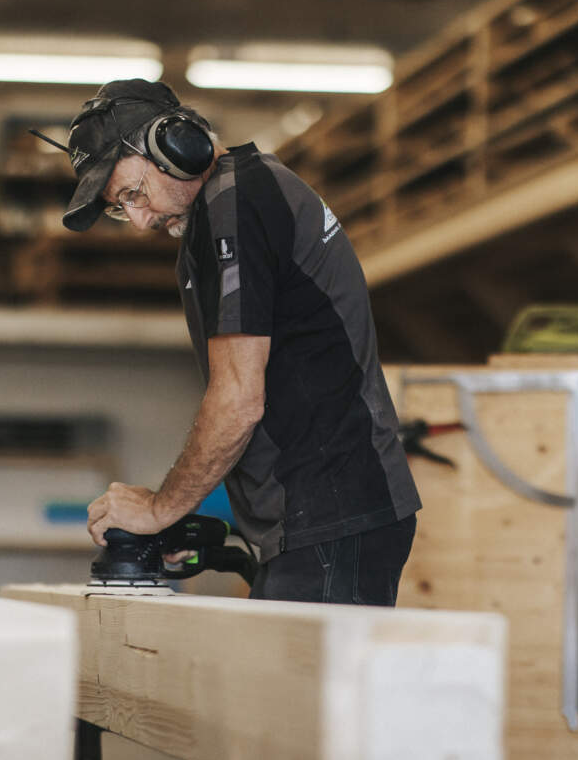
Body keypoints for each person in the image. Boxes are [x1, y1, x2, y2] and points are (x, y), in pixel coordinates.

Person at [48, 78, 420, 606]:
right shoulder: (232, 202)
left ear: (176, 145)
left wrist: (160, 509)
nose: (138, 220)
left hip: (333, 518)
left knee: (302, 691)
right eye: (119, 207)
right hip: (316, 522)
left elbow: (238, 401)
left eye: (132, 192)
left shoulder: (237, 206)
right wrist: (182, 513)